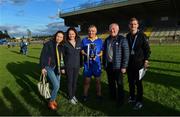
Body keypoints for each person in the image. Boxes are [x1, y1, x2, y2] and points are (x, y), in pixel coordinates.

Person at [126, 17, 151, 110]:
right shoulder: (128, 36)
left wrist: (146, 60)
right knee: (131, 82)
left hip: (139, 63)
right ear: (129, 25)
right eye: (131, 24)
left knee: (138, 83)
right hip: (129, 64)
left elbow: (147, 50)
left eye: (135, 24)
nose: (133, 26)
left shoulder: (142, 35)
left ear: (137, 25)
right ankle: (132, 97)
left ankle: (139, 101)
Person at [103, 23, 129, 106]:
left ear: (118, 30)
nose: (112, 30)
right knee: (111, 83)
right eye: (111, 29)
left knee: (119, 84)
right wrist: (104, 64)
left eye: (114, 29)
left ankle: (121, 100)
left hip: (118, 66)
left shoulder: (122, 39)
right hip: (109, 65)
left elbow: (126, 54)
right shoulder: (107, 40)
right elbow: (104, 53)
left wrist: (124, 66)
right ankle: (112, 97)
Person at [40, 30, 65, 110]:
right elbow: (43, 56)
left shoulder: (61, 46)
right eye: (58, 36)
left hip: (57, 67)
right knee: (56, 85)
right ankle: (51, 102)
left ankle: (53, 99)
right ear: (55, 36)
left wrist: (62, 68)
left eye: (61, 37)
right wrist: (43, 67)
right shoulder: (49, 44)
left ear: (63, 38)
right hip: (49, 67)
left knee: (58, 85)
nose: (59, 38)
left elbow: (61, 59)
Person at [81, 25, 103, 101]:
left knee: (98, 81)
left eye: (93, 31)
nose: (91, 32)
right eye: (89, 31)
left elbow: (102, 51)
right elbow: (82, 50)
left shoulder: (100, 40)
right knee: (87, 81)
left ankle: (99, 95)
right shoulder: (84, 40)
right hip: (87, 64)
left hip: (96, 64)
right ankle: (85, 95)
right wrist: (86, 54)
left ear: (96, 31)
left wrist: (97, 55)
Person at [64, 27, 81, 105]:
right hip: (68, 66)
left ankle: (73, 95)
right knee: (70, 81)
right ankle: (70, 97)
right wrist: (62, 67)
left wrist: (81, 63)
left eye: (73, 34)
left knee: (75, 82)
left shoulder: (78, 41)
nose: (71, 35)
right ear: (68, 34)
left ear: (75, 34)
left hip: (77, 65)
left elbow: (80, 53)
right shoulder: (65, 43)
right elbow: (62, 57)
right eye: (70, 34)